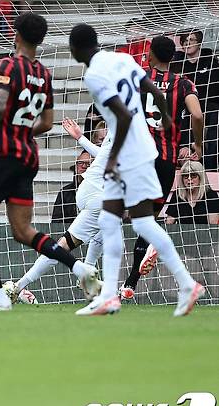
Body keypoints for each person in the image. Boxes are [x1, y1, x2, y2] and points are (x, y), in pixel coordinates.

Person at [0, 13, 100, 312]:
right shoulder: (45, 73)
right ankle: (81, 270)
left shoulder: (9, 65)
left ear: (16, 35)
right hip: (29, 156)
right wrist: (22, 129)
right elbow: (48, 121)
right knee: (23, 231)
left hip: (3, 154)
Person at [69, 23, 204, 317]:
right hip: (146, 149)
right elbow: (153, 88)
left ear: (75, 49)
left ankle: (184, 283)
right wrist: (167, 116)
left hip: (130, 152)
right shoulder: (121, 59)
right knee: (115, 220)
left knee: (135, 222)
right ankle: (111, 295)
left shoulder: (94, 75)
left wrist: (114, 158)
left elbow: (124, 116)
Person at [120, 35, 205, 299]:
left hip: (139, 157)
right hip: (165, 162)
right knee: (149, 219)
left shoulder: (137, 77)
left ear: (150, 55)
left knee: (119, 211)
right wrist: (198, 146)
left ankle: (119, 278)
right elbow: (198, 114)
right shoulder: (183, 83)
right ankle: (130, 283)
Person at [14, 117, 109, 303]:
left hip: (92, 193)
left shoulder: (118, 124)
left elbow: (104, 154)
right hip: (98, 195)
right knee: (62, 246)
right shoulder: (128, 129)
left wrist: (81, 138)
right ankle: (18, 287)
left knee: (104, 230)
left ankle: (90, 274)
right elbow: (107, 155)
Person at [165, 160, 219, 225]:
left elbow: (213, 224)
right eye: (186, 176)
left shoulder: (211, 195)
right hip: (183, 233)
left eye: (193, 175)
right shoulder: (177, 194)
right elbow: (169, 222)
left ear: (201, 177)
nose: (189, 179)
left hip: (204, 234)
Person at [51, 150, 92, 225]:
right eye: (80, 163)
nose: (83, 166)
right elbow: (56, 222)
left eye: (88, 164)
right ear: (76, 166)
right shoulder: (65, 192)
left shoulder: (101, 190)